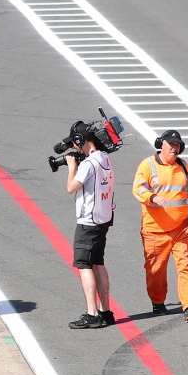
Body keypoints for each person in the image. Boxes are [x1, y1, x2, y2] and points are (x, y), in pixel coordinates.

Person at [133, 129, 188, 323]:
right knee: (156, 270)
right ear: (160, 144)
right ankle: (158, 302)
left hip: (182, 229)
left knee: (185, 266)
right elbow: (137, 189)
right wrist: (152, 197)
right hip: (154, 231)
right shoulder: (147, 165)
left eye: (177, 145)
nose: (174, 148)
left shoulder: (184, 166)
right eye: (171, 144)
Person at [65, 122, 115, 329]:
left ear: (80, 141)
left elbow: (70, 187)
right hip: (103, 218)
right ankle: (105, 310)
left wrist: (71, 167)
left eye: (75, 144)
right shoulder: (104, 158)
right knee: (98, 263)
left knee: (84, 266)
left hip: (88, 222)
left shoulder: (88, 165)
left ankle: (92, 314)